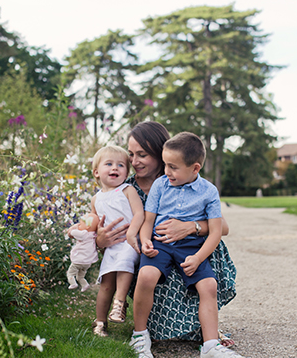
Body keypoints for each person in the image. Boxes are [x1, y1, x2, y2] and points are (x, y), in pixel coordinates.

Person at [96, 122, 237, 344]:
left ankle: (205, 327)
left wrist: (191, 226)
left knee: (202, 254)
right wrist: (99, 239)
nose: (133, 161)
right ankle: (150, 329)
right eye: (131, 154)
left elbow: (223, 227)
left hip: (185, 247)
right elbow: (102, 220)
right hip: (149, 252)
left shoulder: (183, 178)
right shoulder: (124, 187)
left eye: (142, 154)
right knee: (152, 266)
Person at [131, 131, 246, 358]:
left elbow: (216, 231)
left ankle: (211, 347)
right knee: (146, 275)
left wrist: (198, 258)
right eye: (165, 165)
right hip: (160, 243)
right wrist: (145, 241)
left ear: (195, 168)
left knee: (208, 285)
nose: (166, 172)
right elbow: (148, 221)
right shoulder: (161, 186)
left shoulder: (208, 191)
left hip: (192, 247)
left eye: (173, 167)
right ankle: (139, 337)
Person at [89, 145, 145, 337]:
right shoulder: (96, 199)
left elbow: (139, 213)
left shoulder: (127, 190)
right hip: (112, 246)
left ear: (126, 172)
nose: (115, 168)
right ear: (97, 172)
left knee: (125, 263)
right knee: (105, 284)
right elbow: (93, 223)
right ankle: (100, 322)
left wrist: (132, 233)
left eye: (121, 165)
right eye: (109, 164)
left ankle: (119, 303)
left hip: (129, 242)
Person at [65, 212, 99, 292]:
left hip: (79, 261)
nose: (79, 225)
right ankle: (85, 285)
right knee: (80, 276)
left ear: (87, 226)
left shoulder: (84, 234)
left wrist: (75, 227)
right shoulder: (93, 235)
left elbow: (72, 232)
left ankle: (73, 284)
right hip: (87, 263)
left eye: (80, 224)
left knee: (70, 274)